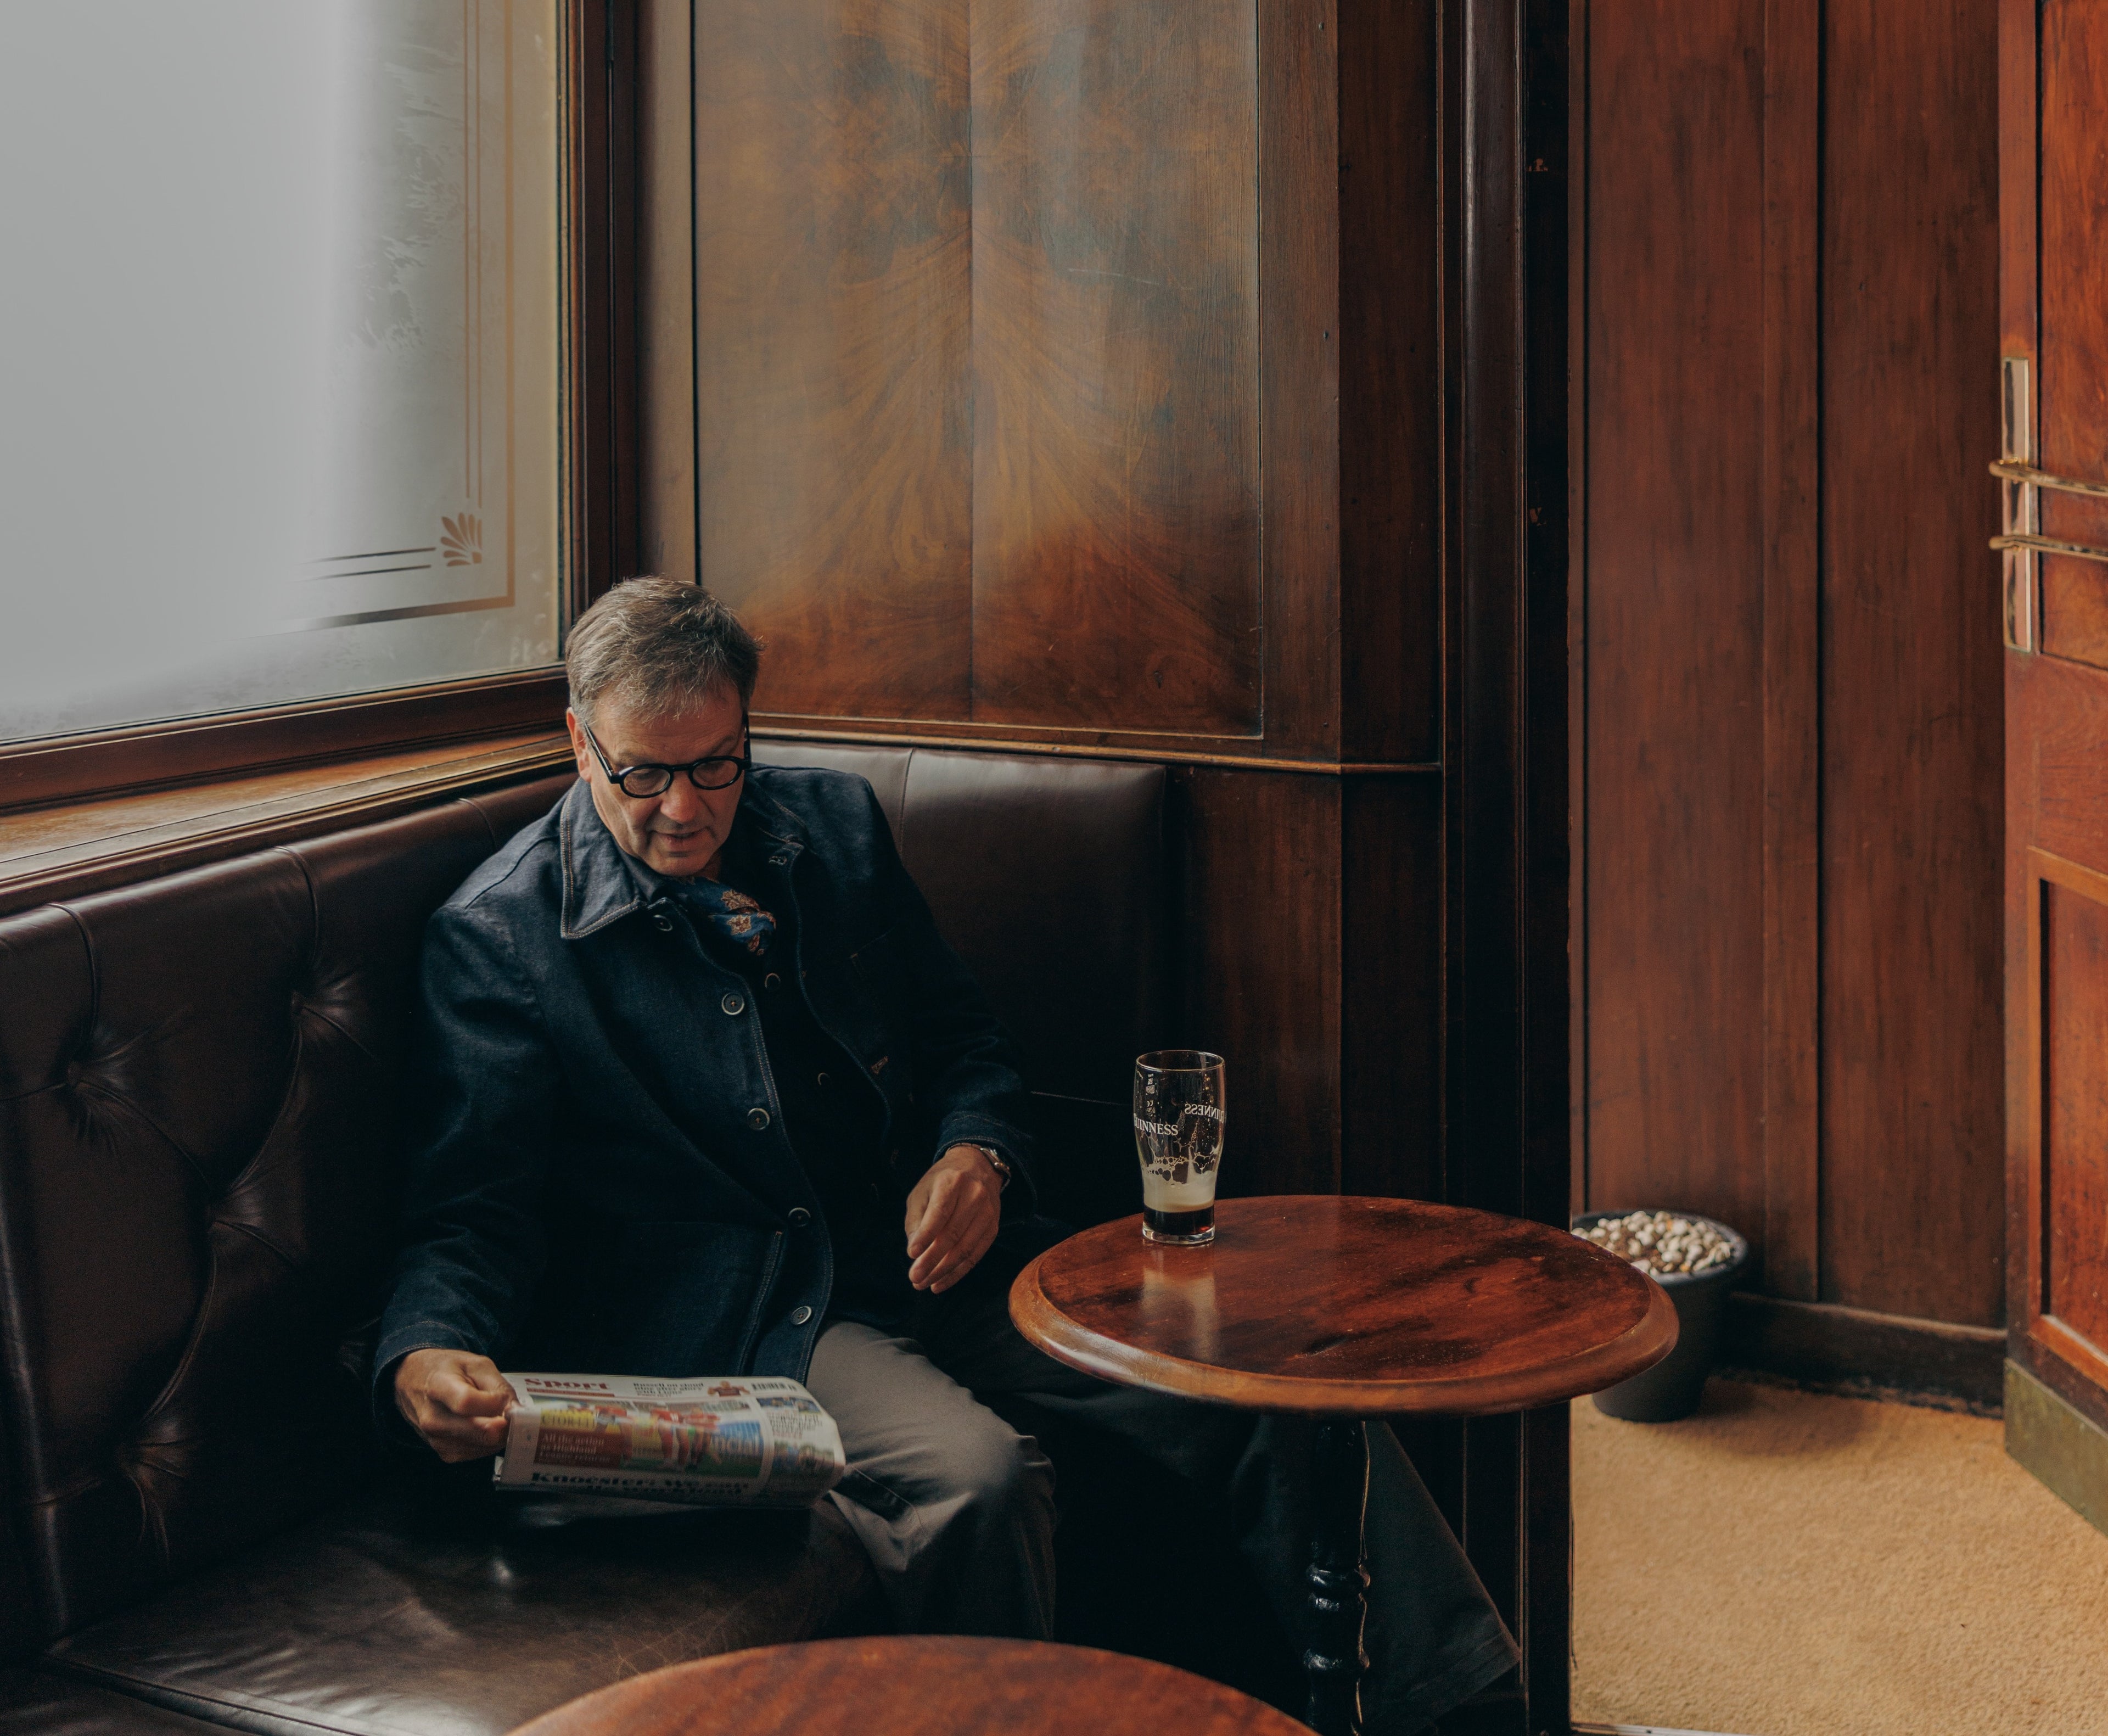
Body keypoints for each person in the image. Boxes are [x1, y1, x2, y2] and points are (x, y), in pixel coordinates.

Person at [373, 578, 1516, 1733]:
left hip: (938, 1258)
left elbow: (966, 1040)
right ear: (579, 743)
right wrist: (429, 1348)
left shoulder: (836, 829)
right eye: (643, 773)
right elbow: (473, 1210)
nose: (685, 808)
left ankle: (1468, 1712)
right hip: (766, 1319)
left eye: (717, 764)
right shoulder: (500, 938)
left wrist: (978, 1154)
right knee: (978, 1483)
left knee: (1271, 1377)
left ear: (747, 730)